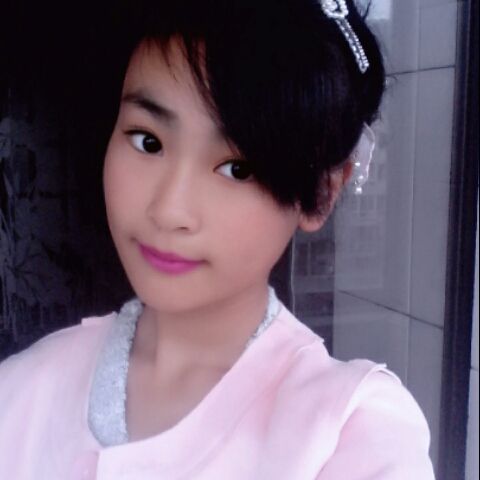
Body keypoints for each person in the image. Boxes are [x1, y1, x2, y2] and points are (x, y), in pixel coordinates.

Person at [0, 0, 435, 478]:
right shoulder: (23, 387)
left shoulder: (348, 435)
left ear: (322, 194)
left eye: (237, 169)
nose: (169, 210)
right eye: (148, 141)